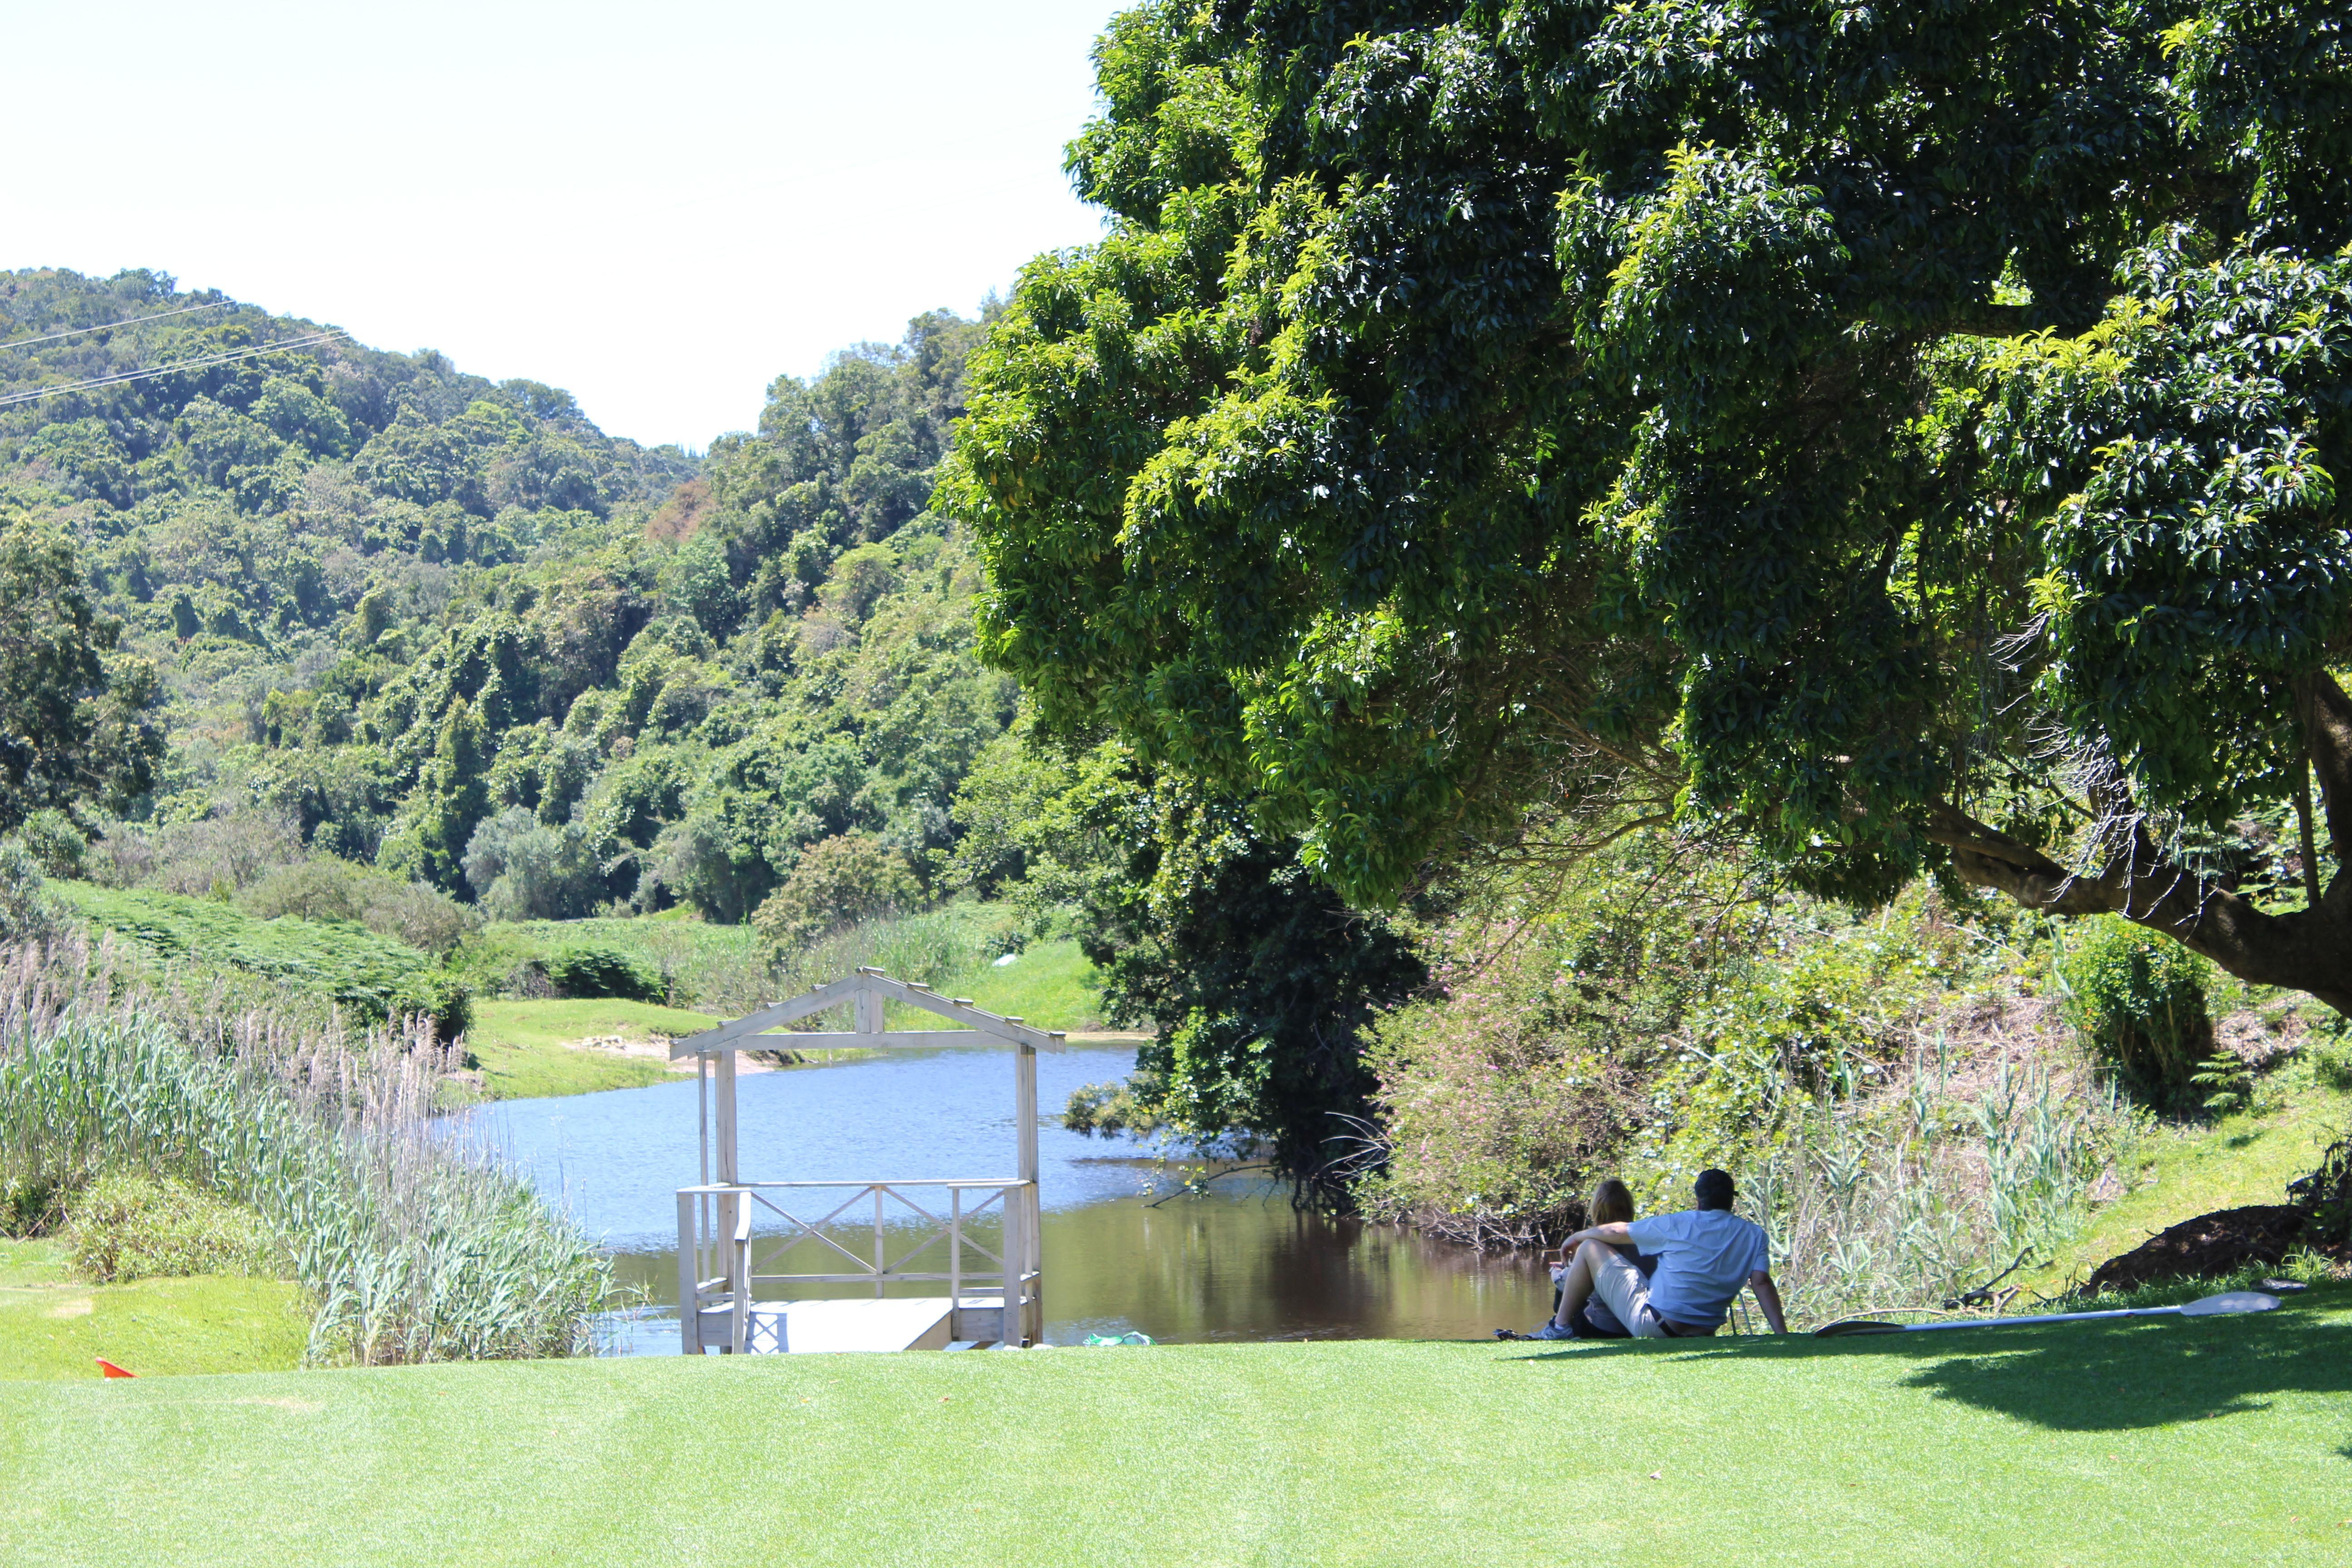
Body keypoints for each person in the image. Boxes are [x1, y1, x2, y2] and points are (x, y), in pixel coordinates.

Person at [1530, 1168, 1787, 1339]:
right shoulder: (1755, 1234)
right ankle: (1561, 1327)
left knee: (1589, 1247)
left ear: (1698, 1200)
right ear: (1732, 1201)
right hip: (1703, 1333)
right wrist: (1781, 1335)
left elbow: (1619, 1230)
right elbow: (1761, 1283)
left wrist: (1576, 1237)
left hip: (1656, 1326)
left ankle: (1559, 1328)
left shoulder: (1679, 1223)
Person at [1550, 1179, 1652, 1338]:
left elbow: (1569, 1284)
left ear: (1596, 1210)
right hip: (1638, 1319)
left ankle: (1559, 1327)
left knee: (1565, 1288)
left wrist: (1556, 1274)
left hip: (1605, 1328)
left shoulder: (1593, 1246)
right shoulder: (1645, 1241)